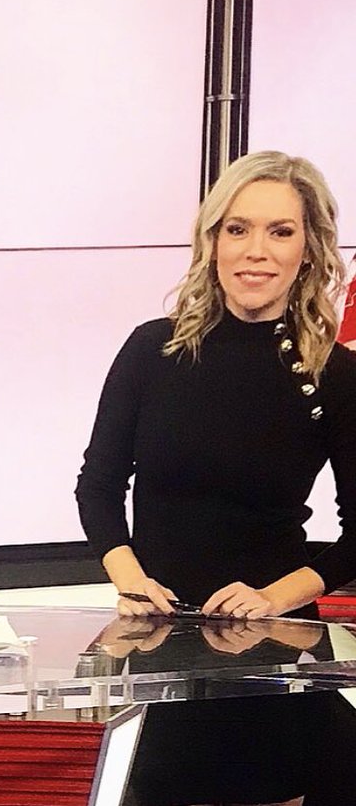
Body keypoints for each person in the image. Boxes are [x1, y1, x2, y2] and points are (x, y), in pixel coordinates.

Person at [75, 150, 356, 805]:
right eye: (238, 228)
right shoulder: (151, 349)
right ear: (213, 241)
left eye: (280, 231)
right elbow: (99, 485)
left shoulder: (335, 376)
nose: (256, 251)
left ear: (309, 248)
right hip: (159, 651)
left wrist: (272, 599)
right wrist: (131, 579)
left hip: (276, 655)